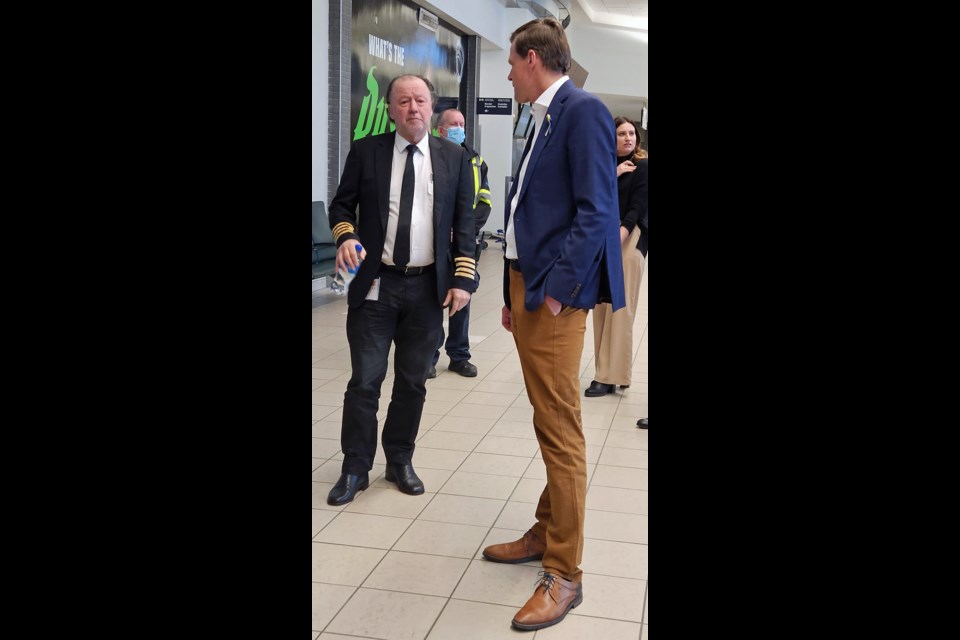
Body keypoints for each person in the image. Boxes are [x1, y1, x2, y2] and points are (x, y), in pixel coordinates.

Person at [480, 18, 625, 632]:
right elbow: (531, 207)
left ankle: (566, 574)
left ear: (533, 58)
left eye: (512, 63)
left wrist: (558, 297)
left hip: (555, 299)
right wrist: (515, 285)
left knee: (562, 430)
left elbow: (597, 213)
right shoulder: (540, 116)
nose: (508, 73)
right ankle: (547, 530)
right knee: (548, 419)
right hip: (528, 287)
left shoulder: (582, 110)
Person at [325, 74, 478, 506]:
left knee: (412, 383)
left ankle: (399, 460)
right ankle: (355, 467)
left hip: (427, 290)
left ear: (431, 107)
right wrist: (346, 236)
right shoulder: (366, 151)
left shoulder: (454, 157)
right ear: (391, 109)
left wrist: (463, 279)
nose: (413, 108)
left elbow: (464, 225)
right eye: (404, 101)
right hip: (376, 285)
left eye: (421, 100)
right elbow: (341, 205)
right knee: (365, 383)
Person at [585, 116, 648, 398]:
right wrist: (615, 173)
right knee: (601, 306)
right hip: (601, 238)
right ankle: (604, 369)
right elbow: (590, 195)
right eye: (621, 133)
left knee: (620, 309)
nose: (628, 138)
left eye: (631, 133)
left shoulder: (643, 167)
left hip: (629, 237)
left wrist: (622, 232)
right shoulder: (604, 166)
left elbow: (638, 205)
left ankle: (611, 375)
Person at [428, 108, 492, 379]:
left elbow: (485, 202)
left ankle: (459, 356)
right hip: (434, 243)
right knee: (431, 299)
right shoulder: (427, 154)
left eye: (462, 124)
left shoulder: (475, 160)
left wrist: (463, 230)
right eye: (454, 124)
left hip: (464, 245)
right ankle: (429, 356)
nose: (459, 128)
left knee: (462, 298)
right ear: (440, 129)